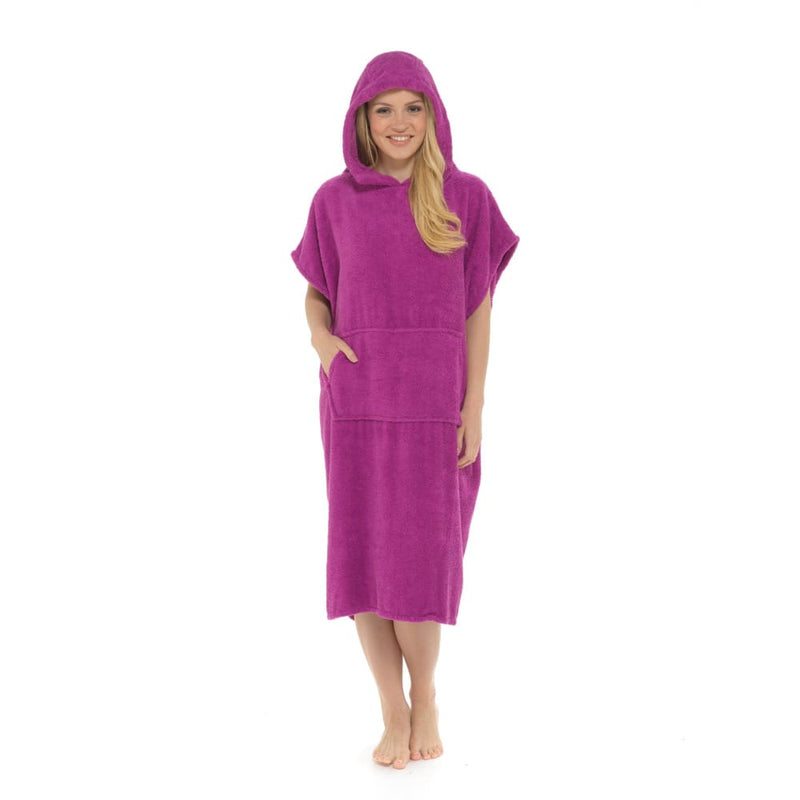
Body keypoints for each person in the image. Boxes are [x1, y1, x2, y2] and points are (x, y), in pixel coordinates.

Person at [291, 51, 520, 769]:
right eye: (384, 109)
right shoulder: (332, 201)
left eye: (413, 108)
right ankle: (391, 708)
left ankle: (426, 695)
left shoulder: (466, 197)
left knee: (420, 564)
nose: (399, 122)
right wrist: (323, 341)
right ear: (362, 119)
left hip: (433, 407)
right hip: (356, 402)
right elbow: (317, 291)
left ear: (433, 114)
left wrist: (473, 404)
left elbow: (478, 309)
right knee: (363, 559)